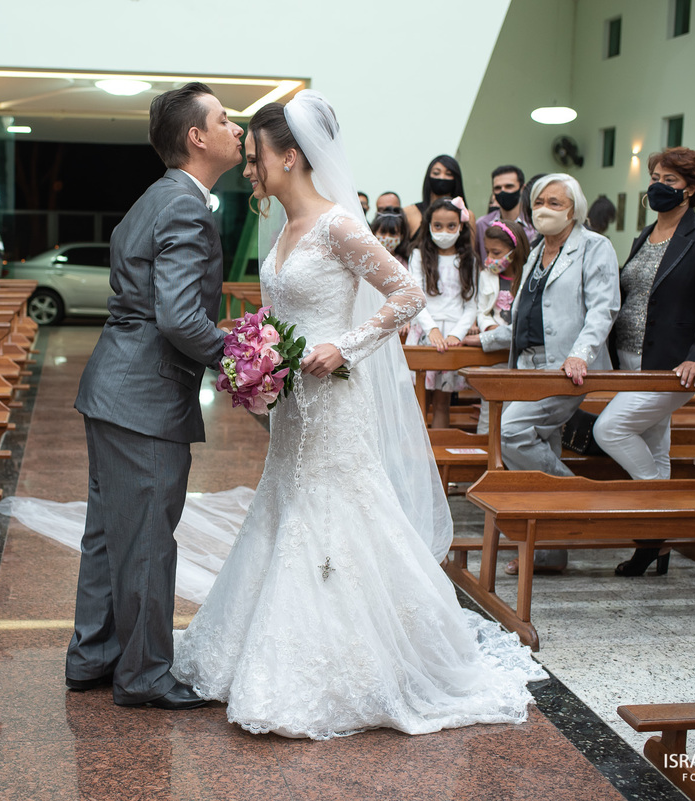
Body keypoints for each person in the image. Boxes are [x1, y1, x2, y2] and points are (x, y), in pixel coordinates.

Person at [172, 90, 543, 739]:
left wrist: (345, 342)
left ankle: (342, 661)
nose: (250, 168)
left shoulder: (338, 223)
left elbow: (406, 293)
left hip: (333, 399)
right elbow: (285, 313)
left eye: (257, 155)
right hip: (293, 406)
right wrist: (258, 352)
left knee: (336, 511)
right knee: (284, 504)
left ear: (290, 155)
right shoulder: (281, 227)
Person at [68, 82, 241, 711]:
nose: (238, 129)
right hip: (143, 395)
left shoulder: (156, 197)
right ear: (197, 138)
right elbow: (177, 317)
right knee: (144, 538)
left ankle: (95, 656)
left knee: (110, 534)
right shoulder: (187, 205)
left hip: (116, 385)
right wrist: (242, 358)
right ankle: (143, 674)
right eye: (226, 120)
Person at [594, 148, 695, 577]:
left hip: (671, 364)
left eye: (670, 179)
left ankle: (663, 517)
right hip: (631, 361)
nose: (659, 184)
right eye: (656, 176)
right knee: (656, 448)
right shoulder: (643, 235)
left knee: (610, 428)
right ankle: (654, 547)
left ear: (690, 188)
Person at [496, 173, 620, 574]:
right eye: (539, 201)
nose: (544, 208)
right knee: (543, 445)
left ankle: (576, 497)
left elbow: (604, 308)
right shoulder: (536, 250)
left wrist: (580, 354)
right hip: (528, 363)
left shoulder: (594, 246)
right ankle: (549, 553)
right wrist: (486, 337)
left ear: (574, 208)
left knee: (510, 433)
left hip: (567, 368)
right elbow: (524, 311)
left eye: (555, 201)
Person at [405, 197, 478, 428]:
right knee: (417, 402)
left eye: (451, 226)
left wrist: (456, 334)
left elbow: (471, 304)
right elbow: (415, 297)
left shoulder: (469, 260)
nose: (444, 231)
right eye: (438, 226)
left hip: (452, 338)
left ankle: (437, 460)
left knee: (442, 403)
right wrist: (432, 329)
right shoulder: (418, 255)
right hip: (424, 331)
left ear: (461, 226)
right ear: (428, 225)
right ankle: (415, 460)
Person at [464, 219, 532, 434]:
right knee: (489, 406)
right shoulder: (487, 276)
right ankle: (485, 450)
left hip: (520, 354)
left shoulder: (529, 277)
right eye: (488, 252)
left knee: (517, 410)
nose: (490, 258)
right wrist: (491, 329)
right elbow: (482, 311)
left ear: (515, 251)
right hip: (493, 351)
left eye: (496, 252)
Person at [403, 155, 477, 245]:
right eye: (436, 173)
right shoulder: (409, 212)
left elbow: (470, 252)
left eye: (448, 174)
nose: (442, 177)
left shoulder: (467, 215)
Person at [474, 165, 535, 263]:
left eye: (509, 186)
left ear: (522, 188)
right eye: (498, 188)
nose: (503, 191)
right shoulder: (482, 225)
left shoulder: (534, 226)